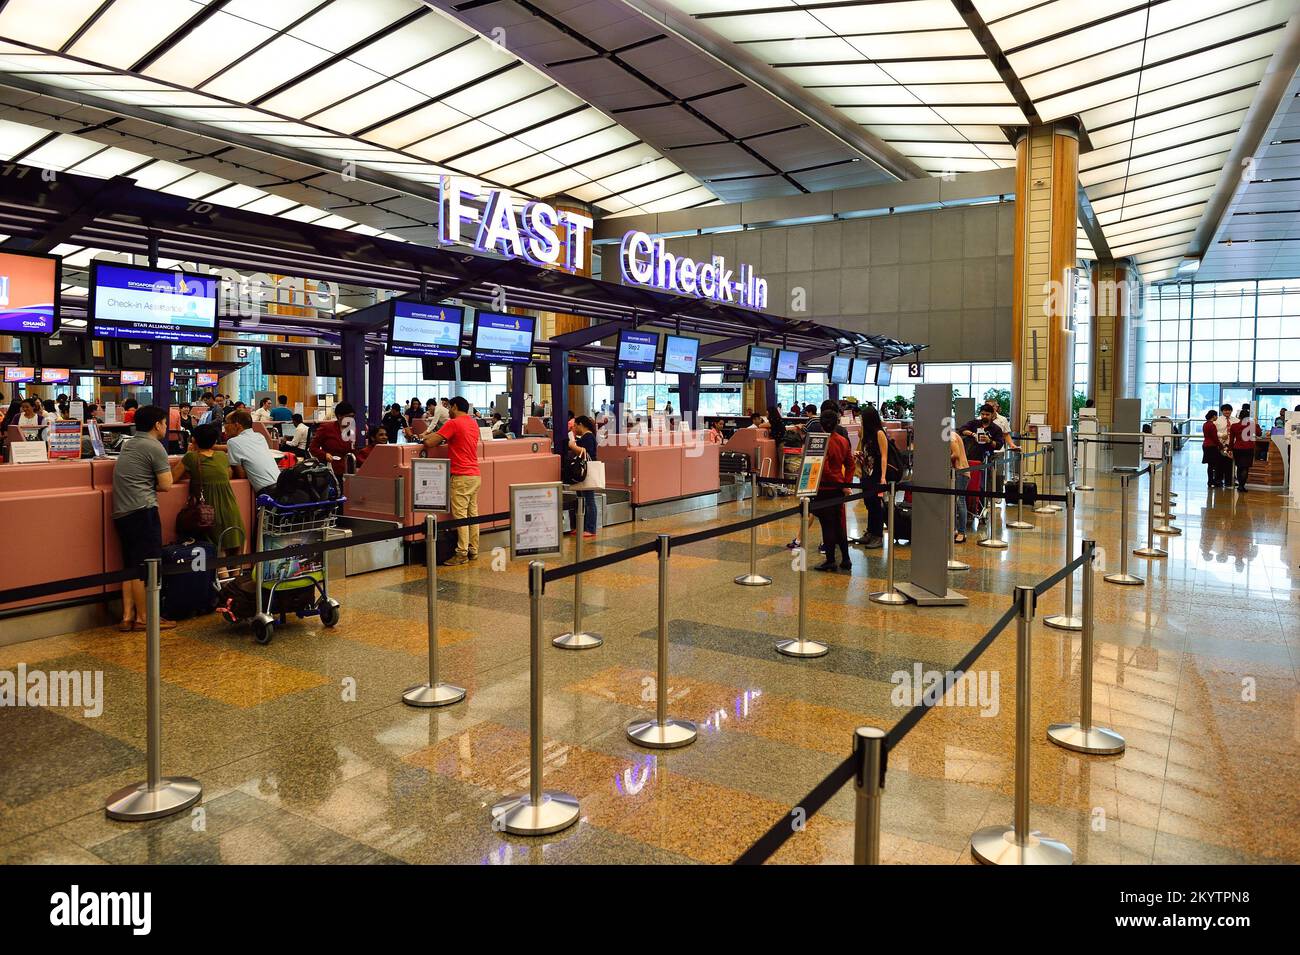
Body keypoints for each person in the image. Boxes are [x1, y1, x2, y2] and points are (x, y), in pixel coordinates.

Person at [111, 405, 176, 633]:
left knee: (130, 565)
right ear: (157, 424)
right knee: (145, 567)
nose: (166, 427)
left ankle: (127, 616)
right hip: (142, 511)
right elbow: (167, 485)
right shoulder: (154, 446)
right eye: (165, 423)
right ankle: (145, 618)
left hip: (122, 512)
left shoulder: (129, 445)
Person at [415, 396, 480, 565]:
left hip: (461, 475)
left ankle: (462, 553)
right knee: (472, 515)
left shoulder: (453, 423)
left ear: (455, 406)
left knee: (460, 516)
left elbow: (429, 442)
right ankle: (473, 549)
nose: (448, 411)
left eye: (449, 407)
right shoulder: (473, 423)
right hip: (475, 475)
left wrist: (421, 436)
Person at [172, 422, 245, 562]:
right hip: (230, 505)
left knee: (217, 547)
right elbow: (228, 474)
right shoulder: (222, 456)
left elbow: (172, 478)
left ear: (194, 440)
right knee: (235, 544)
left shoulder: (191, 457)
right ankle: (236, 580)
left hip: (208, 509)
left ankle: (222, 581)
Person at [811, 401, 854, 572]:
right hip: (838, 489)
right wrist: (845, 483)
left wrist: (837, 482)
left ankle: (830, 560)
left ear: (821, 424)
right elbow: (850, 464)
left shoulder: (822, 441)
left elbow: (825, 468)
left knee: (827, 525)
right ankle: (846, 559)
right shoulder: (843, 441)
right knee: (839, 524)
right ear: (836, 423)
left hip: (825, 489)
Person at [853, 405, 890, 549]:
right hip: (866, 473)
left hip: (876, 474)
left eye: (863, 418)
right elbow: (865, 452)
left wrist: (883, 476)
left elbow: (884, 456)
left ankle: (878, 535)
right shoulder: (865, 434)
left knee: (876, 505)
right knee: (868, 503)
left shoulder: (879, 433)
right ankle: (870, 532)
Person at [224, 409, 281, 496]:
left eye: (226, 423)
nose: (225, 426)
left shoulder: (233, 442)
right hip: (280, 484)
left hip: (267, 491)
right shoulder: (259, 436)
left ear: (237, 425)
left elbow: (241, 475)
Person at [567, 414, 599, 538]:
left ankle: (590, 528)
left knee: (589, 500)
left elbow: (585, 452)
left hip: (587, 471)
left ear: (581, 425)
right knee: (581, 499)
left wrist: (572, 445)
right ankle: (582, 526)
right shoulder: (585, 437)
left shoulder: (588, 437)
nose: (574, 428)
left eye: (575, 426)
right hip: (582, 472)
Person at [310, 401, 356, 477]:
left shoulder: (352, 430)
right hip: (331, 470)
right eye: (348, 416)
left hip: (349, 470)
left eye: (353, 416)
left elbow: (355, 450)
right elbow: (313, 448)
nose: (351, 419)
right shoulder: (326, 428)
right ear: (339, 416)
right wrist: (325, 455)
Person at [1230, 408, 1257, 491]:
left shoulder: (1234, 426)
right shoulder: (1251, 425)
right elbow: (1259, 433)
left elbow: (1231, 439)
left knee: (1239, 467)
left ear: (1239, 416)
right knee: (1245, 468)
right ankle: (1242, 486)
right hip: (1248, 448)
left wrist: (1230, 449)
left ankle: (1239, 486)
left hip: (1237, 448)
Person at [951, 431, 970, 543]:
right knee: (953, 502)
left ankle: (962, 532)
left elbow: (956, 454)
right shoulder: (951, 434)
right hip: (958, 472)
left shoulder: (950, 435)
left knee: (960, 501)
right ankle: (954, 530)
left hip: (961, 473)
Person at [1202, 410, 1222, 489]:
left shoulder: (1205, 424)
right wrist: (1220, 445)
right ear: (1213, 416)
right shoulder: (1212, 425)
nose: (1217, 417)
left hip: (1206, 445)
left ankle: (1210, 481)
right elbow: (1215, 438)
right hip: (1212, 446)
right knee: (1215, 465)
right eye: (1216, 416)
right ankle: (1213, 481)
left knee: (1210, 465)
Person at [1216, 403, 1233, 488]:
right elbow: (1214, 431)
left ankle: (1228, 482)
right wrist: (1221, 435)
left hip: (1230, 445)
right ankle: (1218, 481)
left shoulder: (1235, 420)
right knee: (1219, 464)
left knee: (1229, 464)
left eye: (1229, 410)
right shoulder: (1217, 420)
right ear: (1222, 411)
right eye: (1225, 410)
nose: (1227, 412)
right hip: (1221, 445)